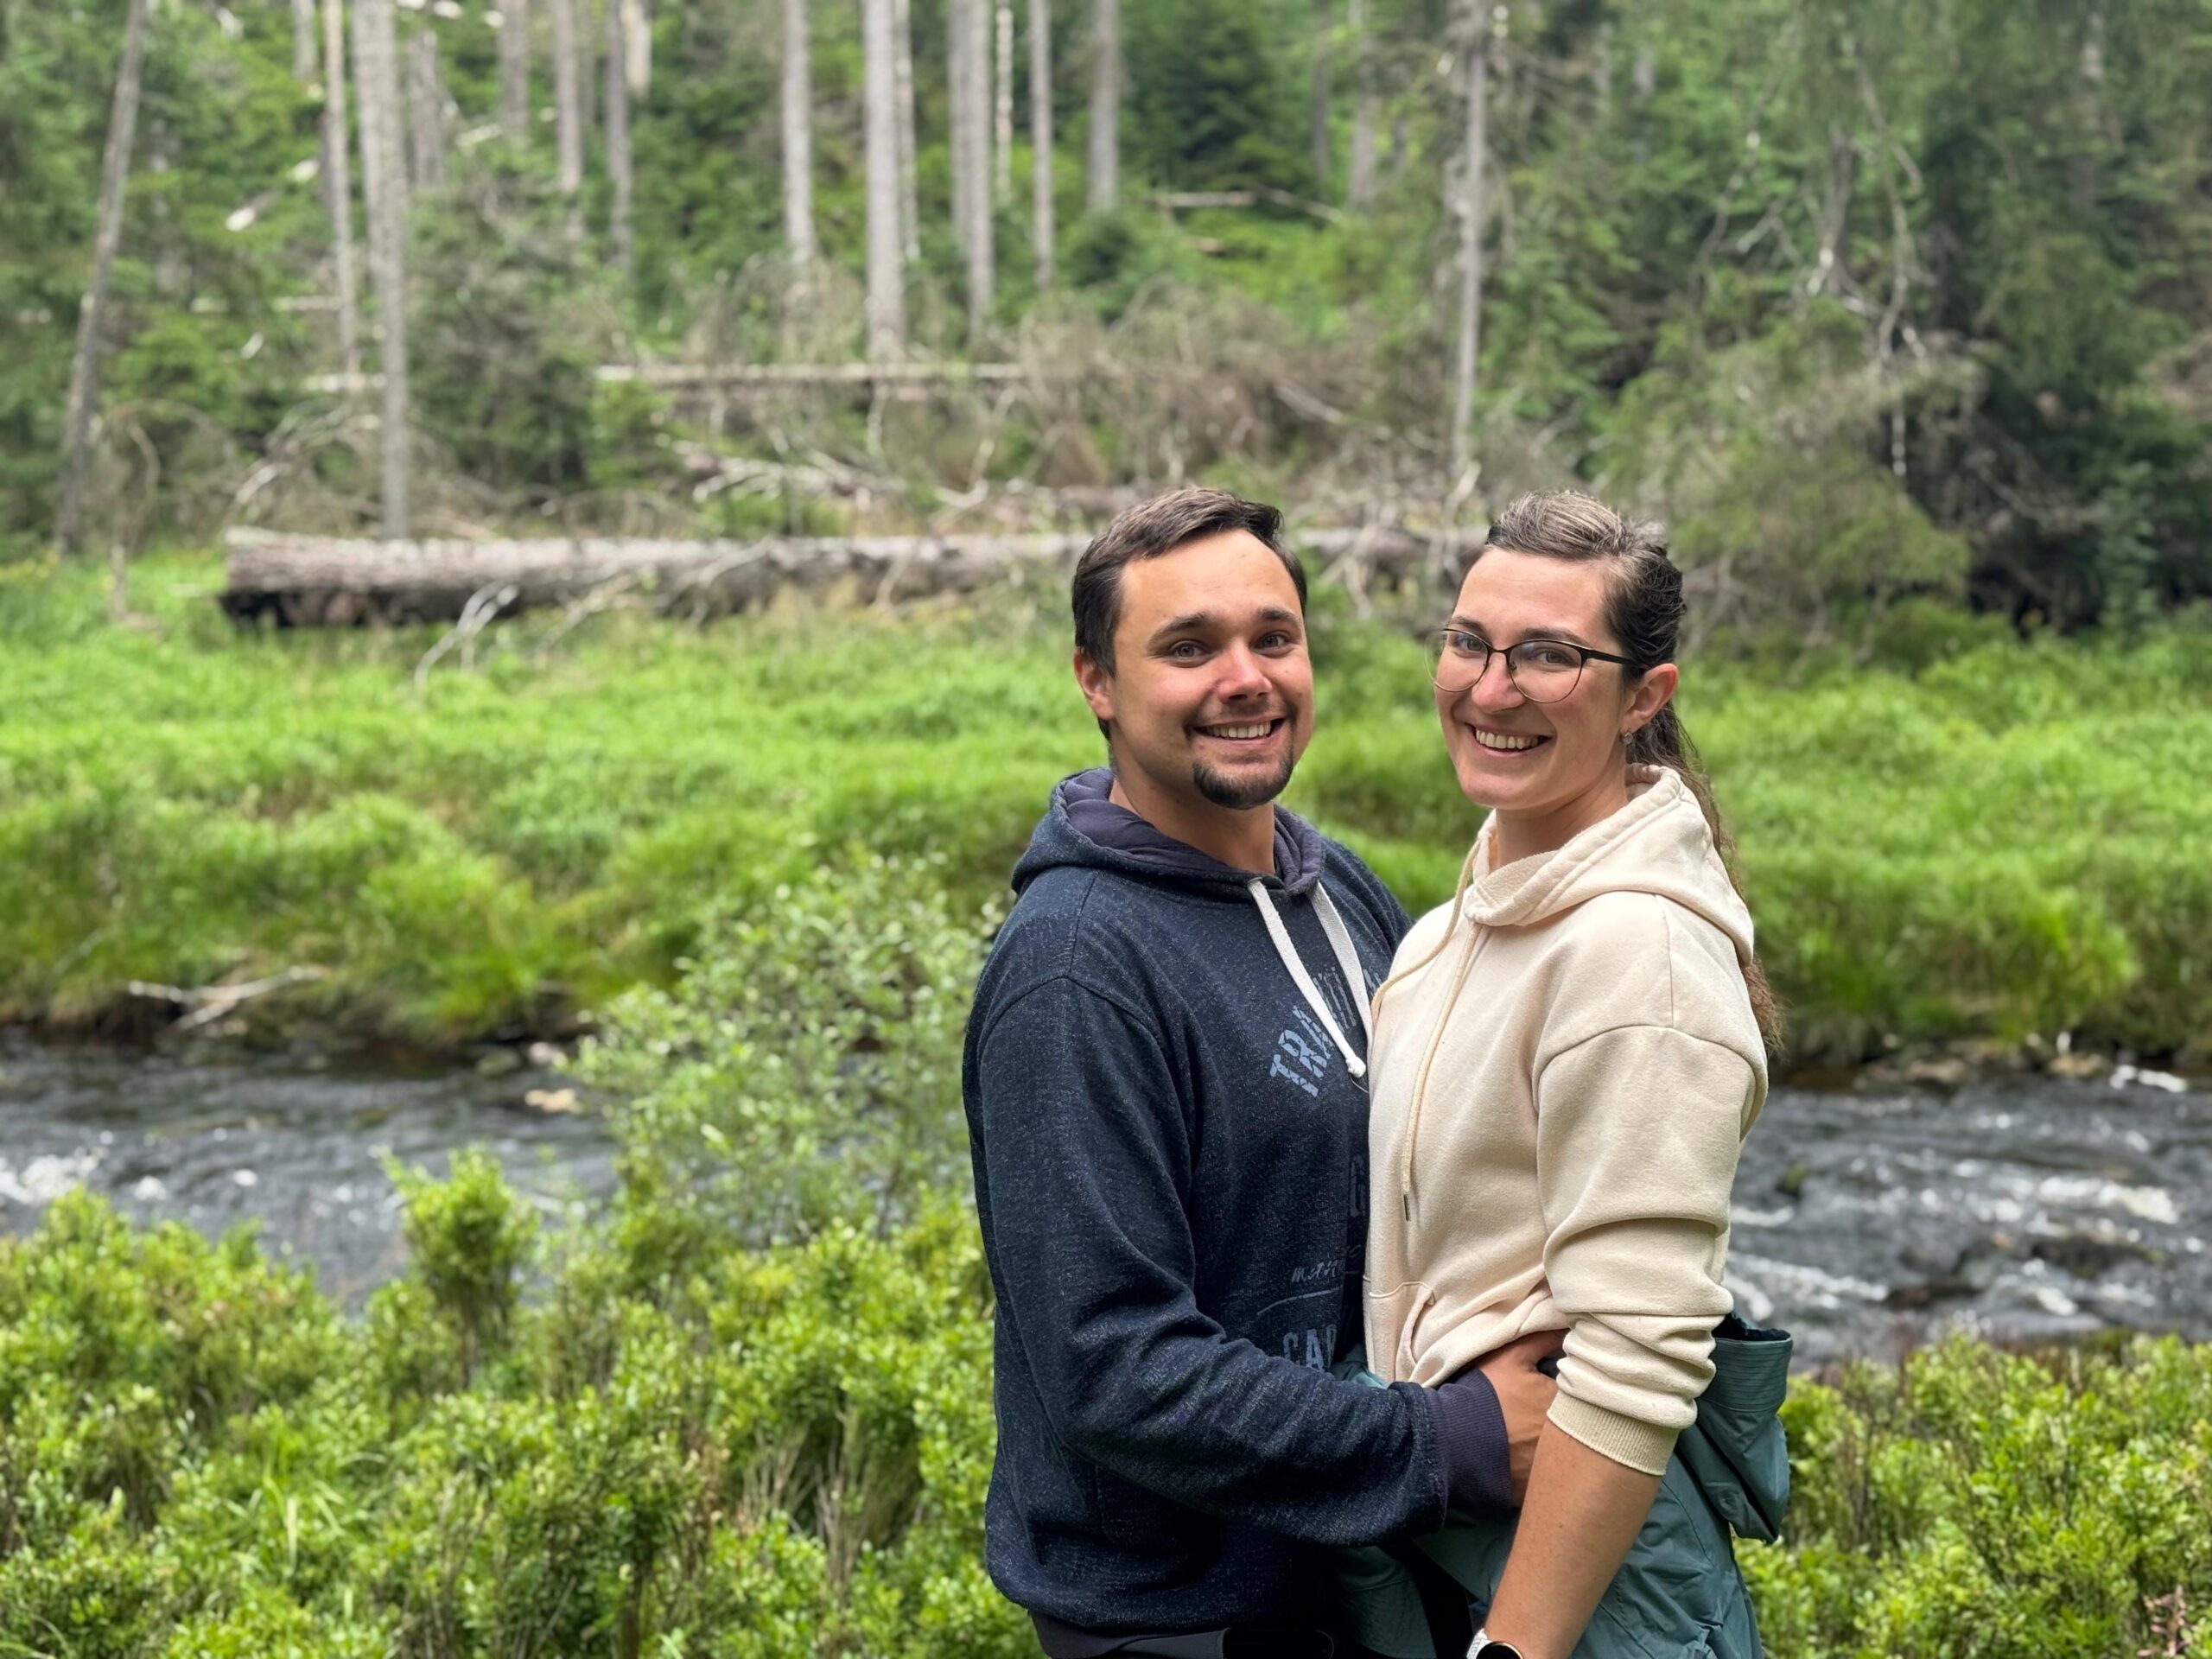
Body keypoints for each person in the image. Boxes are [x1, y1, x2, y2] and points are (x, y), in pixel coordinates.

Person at [962, 487, 1560, 1656]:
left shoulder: (1339, 891)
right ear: (1096, 681)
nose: (1246, 678)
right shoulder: (1076, 971)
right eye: (1189, 648)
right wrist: (1452, 1445)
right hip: (1187, 1622)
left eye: (1273, 638)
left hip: (1371, 1581)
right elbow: (1116, 1367)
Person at [1353, 492, 1792, 1659]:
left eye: (1549, 655)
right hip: (1453, 1534)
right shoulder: (1447, 933)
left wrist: (1516, 1648)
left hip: (1578, 1582)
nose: (1491, 689)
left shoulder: (1640, 956)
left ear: (1645, 695)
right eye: (1470, 641)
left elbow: (1639, 1357)